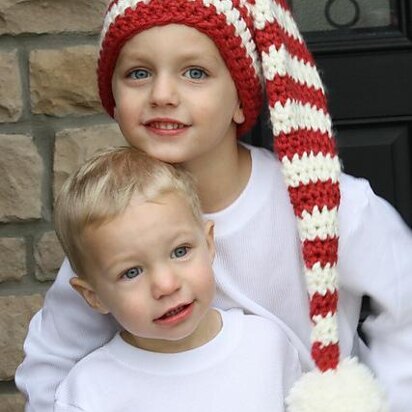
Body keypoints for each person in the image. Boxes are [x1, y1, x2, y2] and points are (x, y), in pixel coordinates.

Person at [16, 0, 411, 411]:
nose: (162, 94)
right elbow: (52, 362)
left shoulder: (324, 205)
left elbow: (405, 309)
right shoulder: (112, 229)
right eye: (138, 73)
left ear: (241, 99)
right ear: (113, 99)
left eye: (195, 73)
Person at [51, 146, 302, 412]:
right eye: (131, 272)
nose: (166, 286)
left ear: (208, 244)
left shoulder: (267, 347)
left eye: (180, 251)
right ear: (94, 296)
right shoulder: (88, 392)